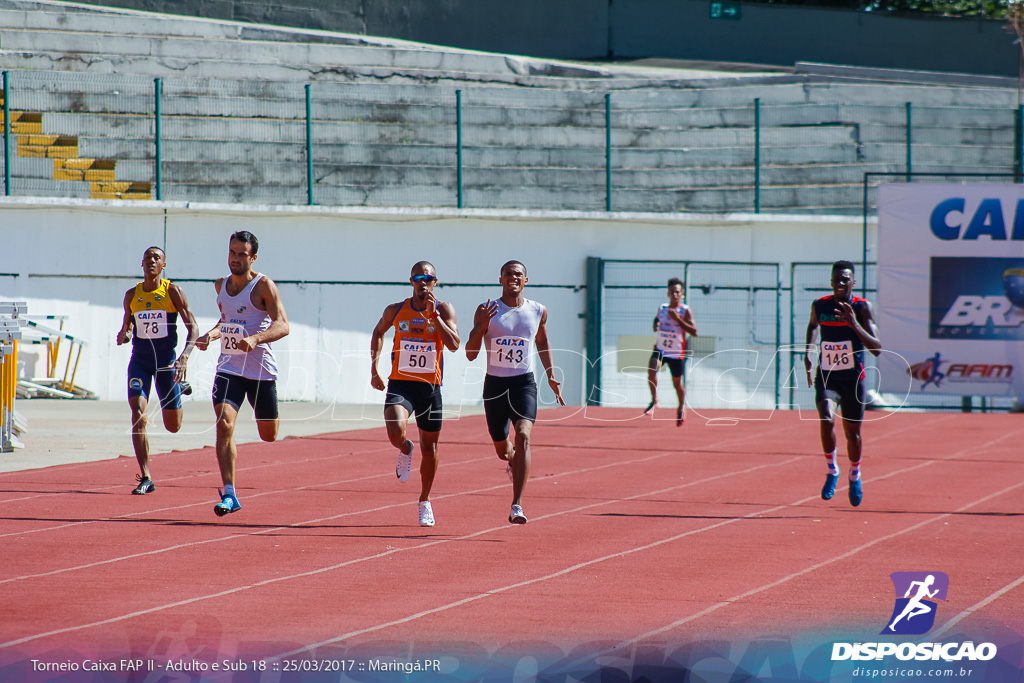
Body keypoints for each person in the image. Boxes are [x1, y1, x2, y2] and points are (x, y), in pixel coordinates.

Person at [195, 231, 289, 517]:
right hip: (229, 367)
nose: (235, 259)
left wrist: (257, 339)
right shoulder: (220, 285)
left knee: (269, 435)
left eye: (241, 254)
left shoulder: (263, 286)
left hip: (260, 371)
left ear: (253, 257)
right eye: (232, 252)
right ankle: (230, 493)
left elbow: (282, 325)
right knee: (224, 424)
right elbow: (226, 323)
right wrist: (210, 336)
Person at [465, 260, 565, 525]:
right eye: (508, 274)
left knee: (523, 435)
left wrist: (551, 374)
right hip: (495, 387)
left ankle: (516, 504)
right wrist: (481, 325)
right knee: (503, 449)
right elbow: (471, 353)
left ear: (526, 280)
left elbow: (542, 340)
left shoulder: (537, 310)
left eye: (518, 274)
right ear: (501, 279)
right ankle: (512, 460)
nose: (513, 277)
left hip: (523, 384)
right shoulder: (487, 309)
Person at [370, 262, 460, 527]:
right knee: (396, 430)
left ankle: (425, 501)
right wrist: (374, 368)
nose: (423, 282)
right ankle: (405, 447)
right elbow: (378, 332)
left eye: (428, 278)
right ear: (411, 281)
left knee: (430, 448)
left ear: (435, 282)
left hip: (430, 389)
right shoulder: (396, 310)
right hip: (401, 383)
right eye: (419, 278)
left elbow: (454, 345)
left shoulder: (444, 309)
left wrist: (435, 318)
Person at [116, 246, 199, 495]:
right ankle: (146, 477)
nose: (151, 261)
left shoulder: (173, 292)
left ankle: (179, 387)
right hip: (140, 362)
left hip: (167, 363)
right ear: (141, 264)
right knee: (138, 413)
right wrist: (125, 334)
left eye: (157, 258)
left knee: (173, 426)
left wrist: (184, 357)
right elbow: (127, 327)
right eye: (147, 258)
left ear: (163, 265)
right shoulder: (132, 295)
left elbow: (193, 328)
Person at [804, 260, 881, 507]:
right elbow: (813, 326)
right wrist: (808, 350)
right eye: (836, 278)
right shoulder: (820, 304)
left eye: (844, 279)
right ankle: (832, 470)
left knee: (853, 434)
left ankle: (854, 474)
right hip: (828, 376)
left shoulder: (862, 308)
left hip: (853, 379)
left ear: (853, 283)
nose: (839, 283)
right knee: (826, 417)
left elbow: (877, 349)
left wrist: (853, 324)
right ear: (831, 281)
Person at [643, 277, 697, 426]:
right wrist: (656, 324)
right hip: (661, 349)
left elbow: (694, 331)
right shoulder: (662, 308)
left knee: (678, 384)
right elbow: (656, 321)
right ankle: (654, 400)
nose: (674, 295)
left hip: (676, 353)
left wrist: (678, 319)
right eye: (672, 292)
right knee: (652, 369)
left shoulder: (685, 310)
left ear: (682, 294)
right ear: (668, 292)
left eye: (677, 292)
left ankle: (681, 407)